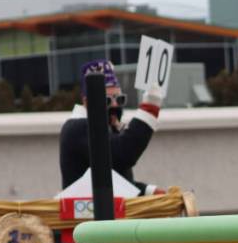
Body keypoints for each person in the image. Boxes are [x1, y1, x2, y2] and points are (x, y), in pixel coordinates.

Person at [59, 60, 162, 195]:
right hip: (88, 214)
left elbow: (117, 181)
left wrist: (150, 191)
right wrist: (149, 109)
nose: (114, 106)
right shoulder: (78, 128)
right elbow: (123, 154)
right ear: (86, 102)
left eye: (119, 100)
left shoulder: (103, 127)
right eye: (107, 100)